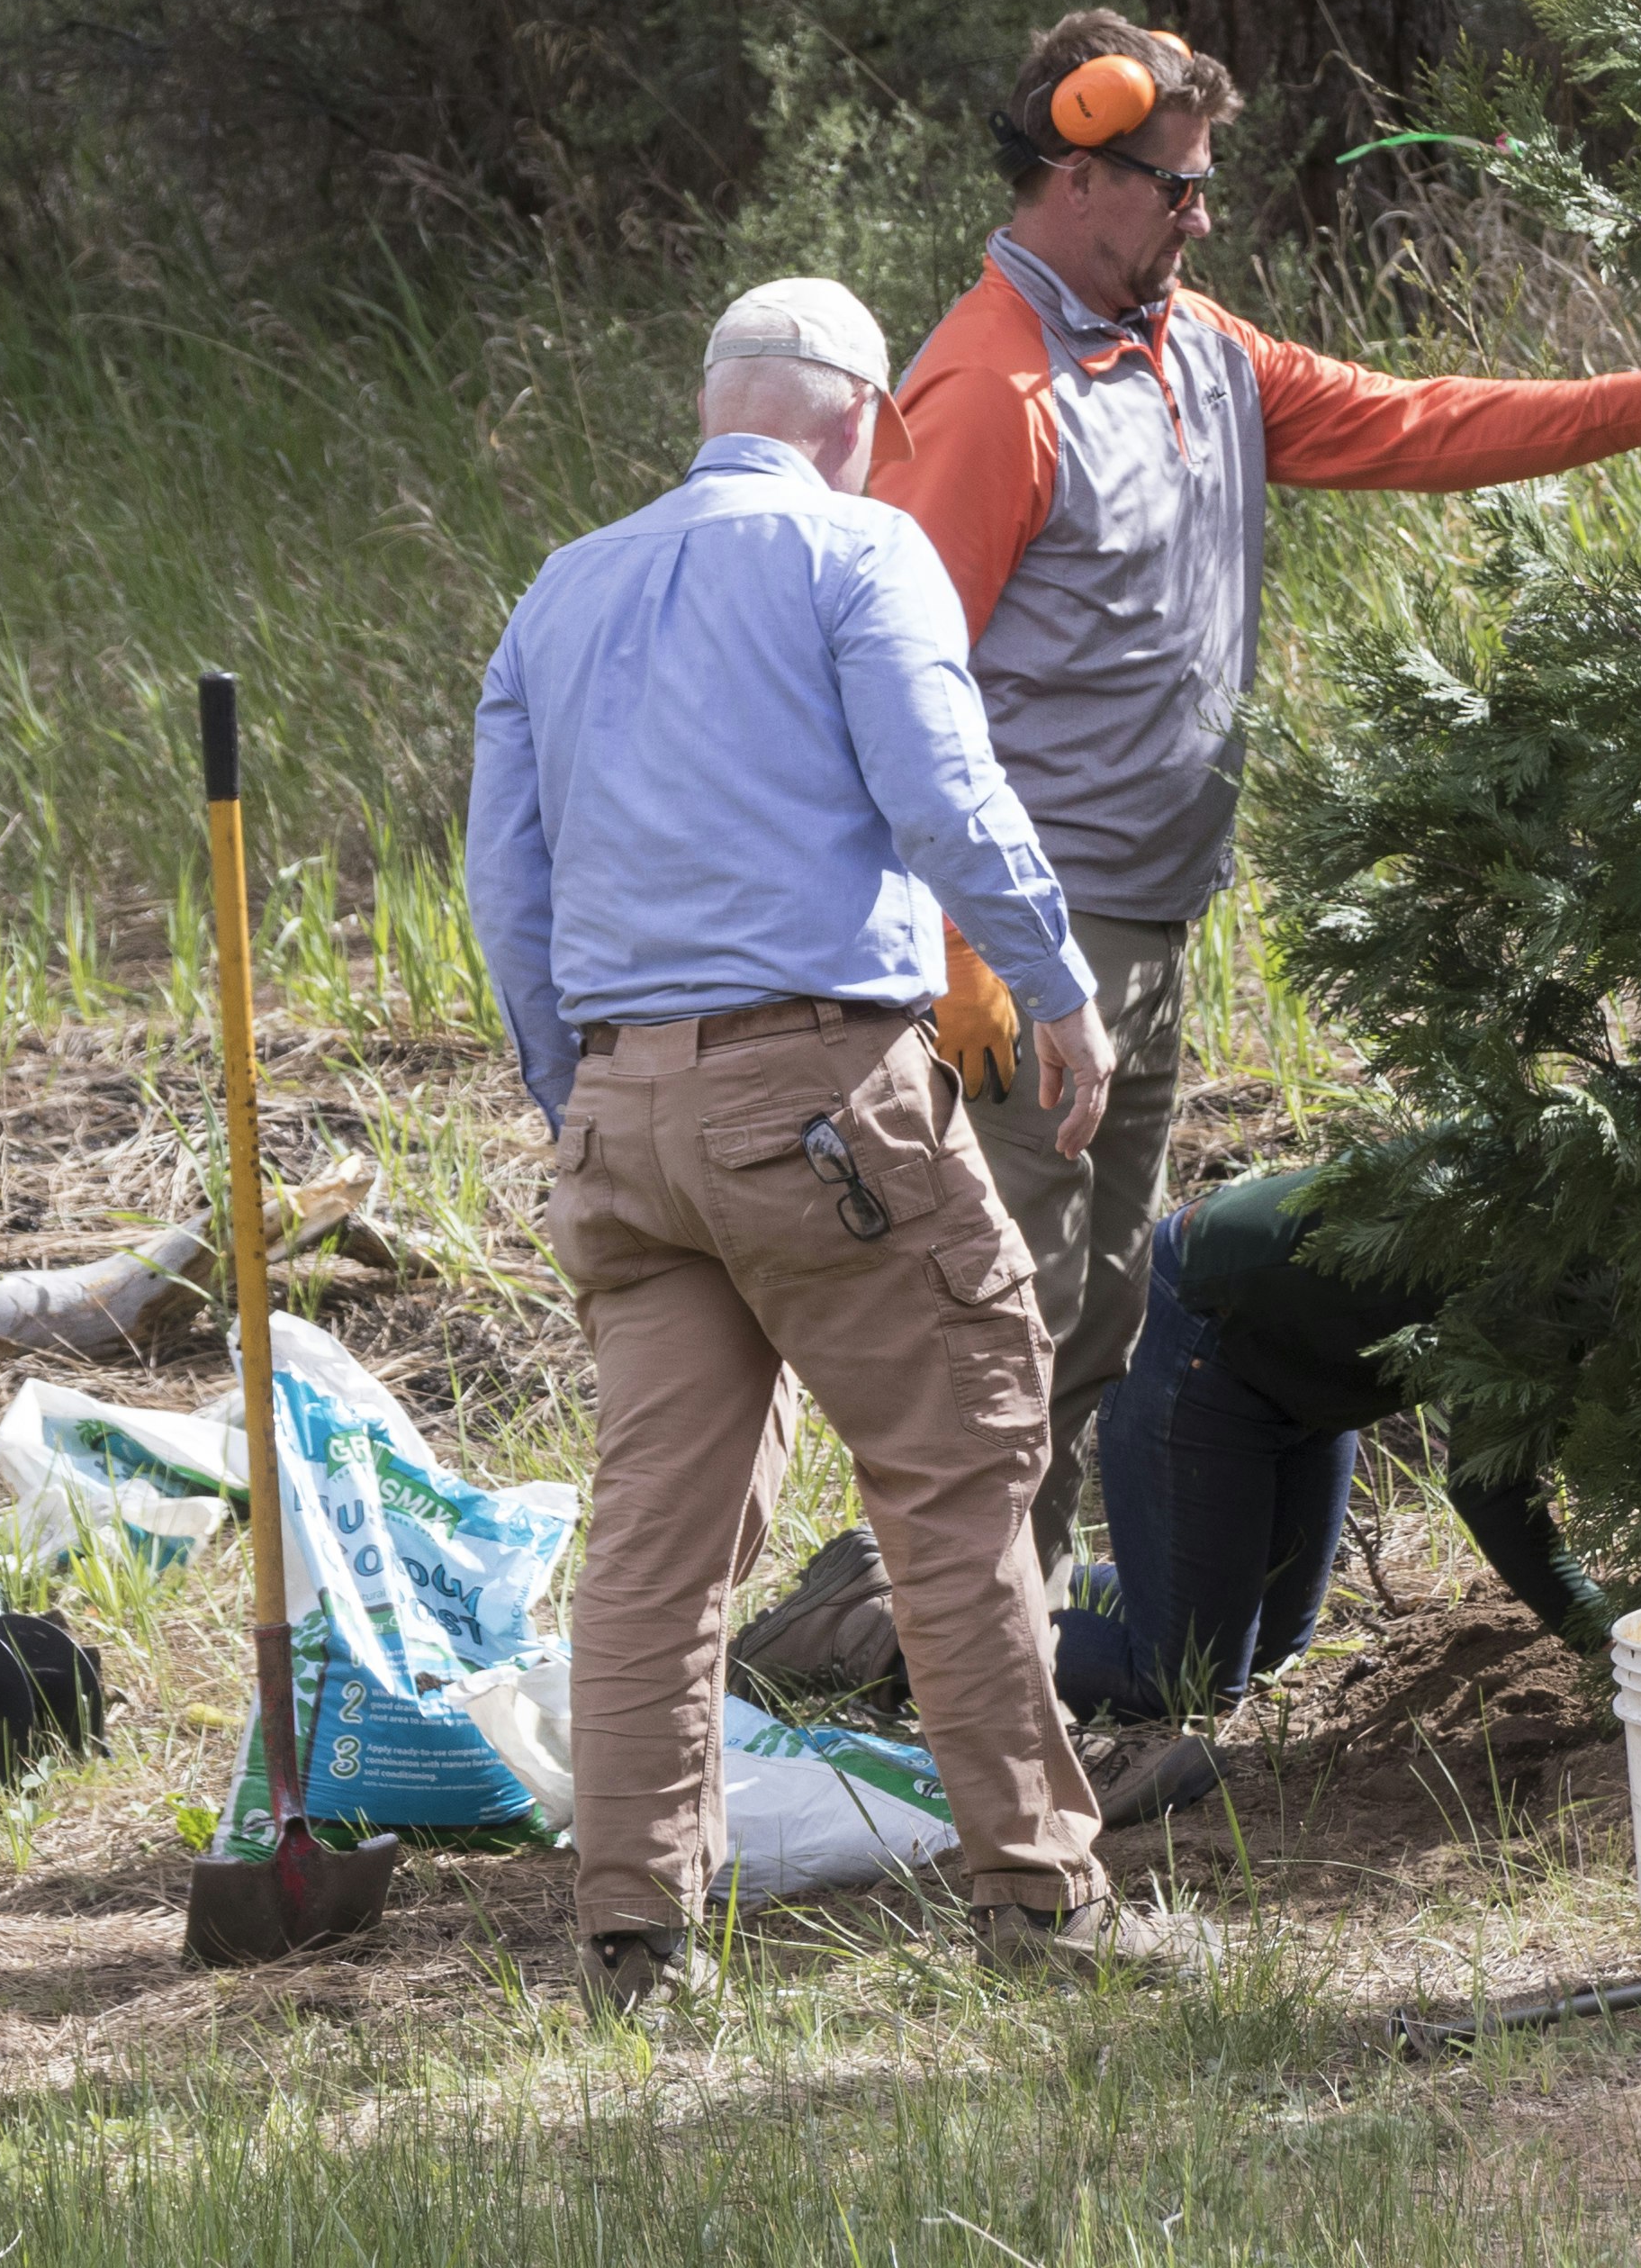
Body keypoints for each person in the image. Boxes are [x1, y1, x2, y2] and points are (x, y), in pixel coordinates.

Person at [879, 7, 1641, 1575]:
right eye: (1176, 187)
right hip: (1025, 949)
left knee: (1097, 1316)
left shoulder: (1200, 352)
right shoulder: (990, 396)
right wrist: (956, 940)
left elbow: (1417, 423)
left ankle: (1002, 1662)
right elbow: (887, 684)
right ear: (1078, 175)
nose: (1203, 216)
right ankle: (900, 1671)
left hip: (1143, 927)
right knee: (1000, 1334)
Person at [464, 275, 1213, 2016]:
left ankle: (637, 1941)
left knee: (657, 1534)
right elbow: (945, 789)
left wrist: (574, 1086)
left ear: (717, 407)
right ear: (862, 422)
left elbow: (508, 888)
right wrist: (1059, 990)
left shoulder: (561, 591)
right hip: (817, 1098)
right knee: (961, 1475)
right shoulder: (859, 557)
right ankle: (1042, 1897)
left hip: (624, 1122)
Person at [1050, 1168, 1617, 1726]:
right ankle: (974, 1620)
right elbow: (1488, 1487)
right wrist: (1623, 1648)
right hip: (1198, 1327)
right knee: (1184, 1689)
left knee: (1272, 1652)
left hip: (1303, 1369)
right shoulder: (1553, 1260)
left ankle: (1043, 1578)